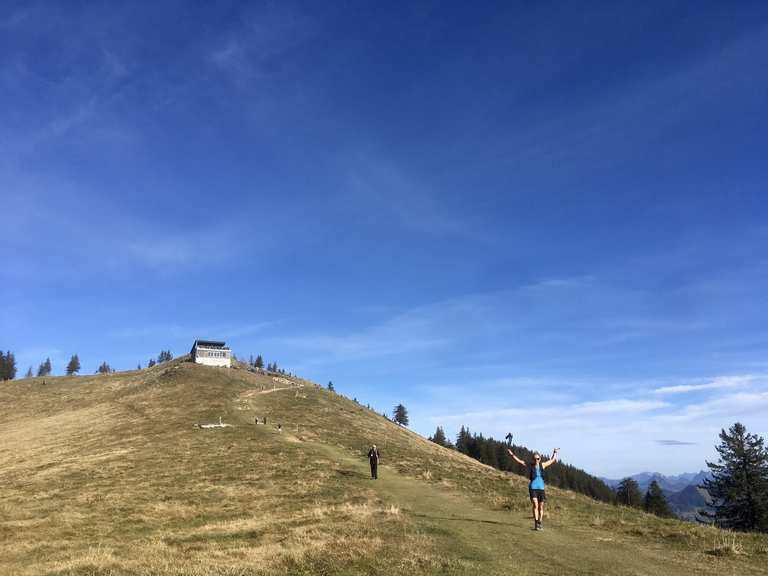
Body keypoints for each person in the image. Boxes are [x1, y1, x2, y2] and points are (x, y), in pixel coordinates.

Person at [506, 447, 560, 530]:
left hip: (541, 488)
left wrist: (554, 453)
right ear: (533, 459)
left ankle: (540, 523)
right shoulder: (530, 465)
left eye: (538, 459)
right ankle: (536, 523)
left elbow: (552, 460)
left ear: (540, 459)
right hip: (533, 488)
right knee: (535, 504)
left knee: (541, 507)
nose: (536, 460)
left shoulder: (543, 465)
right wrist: (512, 454)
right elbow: (520, 461)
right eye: (535, 459)